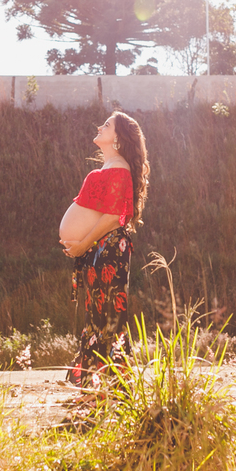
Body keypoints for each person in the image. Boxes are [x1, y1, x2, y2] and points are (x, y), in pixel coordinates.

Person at [59, 111, 149, 389]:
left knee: (108, 314)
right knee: (100, 313)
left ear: (118, 139)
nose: (100, 126)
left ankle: (112, 384)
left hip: (109, 250)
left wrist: (83, 243)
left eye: (107, 125)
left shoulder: (119, 167)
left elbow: (113, 217)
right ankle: (95, 382)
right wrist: (85, 245)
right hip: (101, 249)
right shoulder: (113, 166)